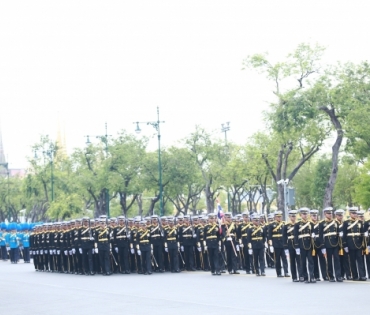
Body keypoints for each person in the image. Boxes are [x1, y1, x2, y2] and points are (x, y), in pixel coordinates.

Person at [319, 207, 343, 282]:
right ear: (325, 214)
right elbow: (320, 236)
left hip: (335, 244)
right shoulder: (322, 223)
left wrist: (340, 245)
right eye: (328, 213)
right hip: (327, 244)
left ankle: (338, 276)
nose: (330, 215)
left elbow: (338, 233)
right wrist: (322, 246)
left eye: (331, 213)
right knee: (329, 261)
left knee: (337, 260)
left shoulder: (335, 222)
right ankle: (331, 276)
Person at [342, 207, 366, 281]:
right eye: (353, 213)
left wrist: (363, 244)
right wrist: (345, 245)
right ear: (350, 214)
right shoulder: (346, 223)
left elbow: (362, 234)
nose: (355, 214)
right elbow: (344, 235)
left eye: (355, 213)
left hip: (358, 244)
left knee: (360, 260)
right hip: (350, 244)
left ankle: (362, 275)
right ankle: (355, 276)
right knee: (352, 261)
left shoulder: (360, 222)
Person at [294, 208, 315, 283]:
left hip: (309, 245)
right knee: (303, 262)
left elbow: (313, 233)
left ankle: (312, 276)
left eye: (306, 214)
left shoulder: (311, 224)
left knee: (311, 262)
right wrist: (296, 246)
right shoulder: (297, 224)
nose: (305, 215)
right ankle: (305, 277)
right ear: (300, 215)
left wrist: (313, 235)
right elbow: (295, 236)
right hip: (301, 245)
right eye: (303, 214)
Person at [268, 211, 290, 278]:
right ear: (275, 217)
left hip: (283, 243)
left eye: (280, 216)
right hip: (276, 244)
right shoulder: (271, 225)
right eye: (278, 217)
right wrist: (271, 245)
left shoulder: (284, 224)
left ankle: (286, 272)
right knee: (277, 259)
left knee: (284, 259)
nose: (279, 218)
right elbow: (269, 236)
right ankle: (279, 273)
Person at [283, 210, 301, 282]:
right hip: (290, 244)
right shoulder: (286, 226)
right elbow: (284, 237)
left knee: (300, 261)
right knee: (292, 261)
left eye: (294, 216)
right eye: (292, 216)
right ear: (289, 217)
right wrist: (285, 247)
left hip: (298, 244)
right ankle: (294, 277)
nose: (293, 217)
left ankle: (301, 275)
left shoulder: (299, 224)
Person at [310, 209, 328, 281]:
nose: (315, 217)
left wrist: (323, 245)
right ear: (310, 216)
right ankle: (316, 276)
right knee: (314, 261)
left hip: (320, 244)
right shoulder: (309, 224)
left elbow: (322, 235)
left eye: (315, 216)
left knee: (323, 261)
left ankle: (325, 275)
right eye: (313, 216)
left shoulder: (320, 224)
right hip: (312, 245)